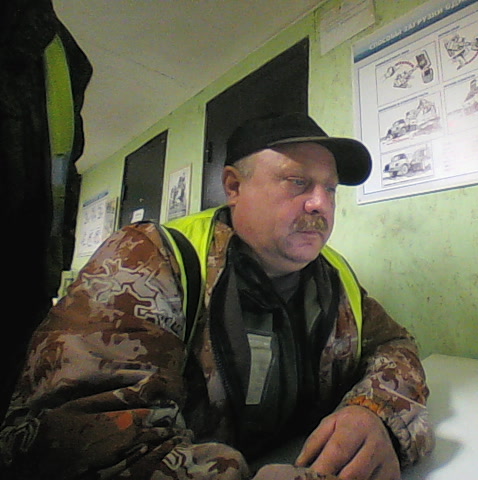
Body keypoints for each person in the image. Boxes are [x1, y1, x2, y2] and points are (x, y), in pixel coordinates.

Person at [0, 112, 434, 480]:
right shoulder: (150, 259)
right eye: (298, 182)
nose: (320, 203)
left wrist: (374, 410)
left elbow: (394, 344)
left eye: (331, 189)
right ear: (233, 186)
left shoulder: (336, 277)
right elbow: (65, 439)